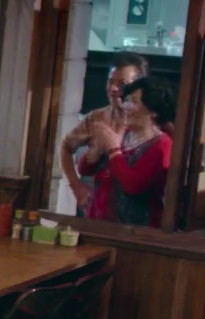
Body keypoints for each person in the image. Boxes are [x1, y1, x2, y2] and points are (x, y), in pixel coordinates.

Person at [57, 52, 147, 219]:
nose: (113, 88)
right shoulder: (97, 117)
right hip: (98, 210)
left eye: (122, 83)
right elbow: (66, 146)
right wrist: (76, 186)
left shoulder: (148, 123)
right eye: (110, 81)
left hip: (135, 217)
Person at [83, 76, 176, 227]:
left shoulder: (162, 145)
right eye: (126, 100)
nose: (125, 106)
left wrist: (113, 150)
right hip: (97, 223)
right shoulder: (122, 132)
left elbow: (132, 186)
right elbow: (85, 169)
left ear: (153, 111)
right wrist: (96, 148)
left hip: (134, 232)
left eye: (134, 101)